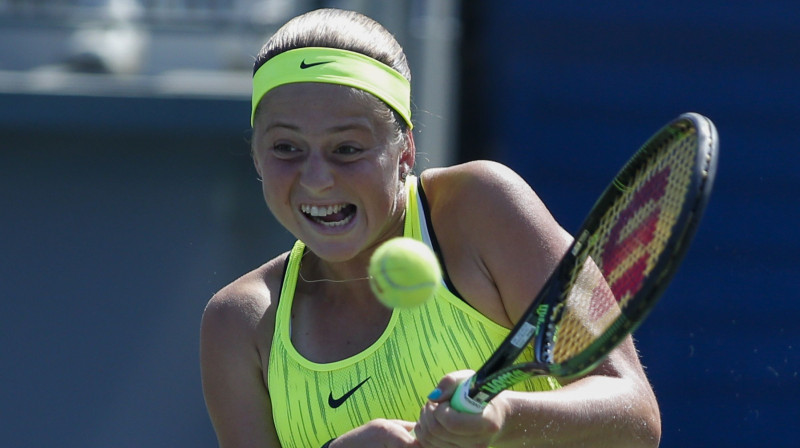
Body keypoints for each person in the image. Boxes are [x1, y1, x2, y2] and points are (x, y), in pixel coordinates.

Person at [200, 8, 661, 448]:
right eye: (286, 147)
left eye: (347, 148)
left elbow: (636, 417)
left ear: (405, 151)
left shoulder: (483, 208)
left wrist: (505, 415)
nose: (317, 179)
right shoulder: (238, 323)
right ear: (256, 156)